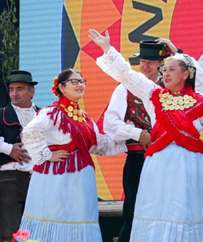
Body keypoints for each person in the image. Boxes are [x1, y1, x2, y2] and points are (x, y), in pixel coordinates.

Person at [90, 28, 203, 242]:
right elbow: (127, 74)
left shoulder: (202, 101)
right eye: (164, 70)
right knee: (157, 211)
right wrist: (107, 48)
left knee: (187, 211)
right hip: (159, 164)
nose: (166, 74)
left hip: (190, 164)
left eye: (171, 69)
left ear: (186, 74)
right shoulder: (153, 94)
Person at [102, 39, 203, 242]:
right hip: (139, 159)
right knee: (135, 212)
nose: (144, 66)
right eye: (142, 61)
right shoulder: (126, 88)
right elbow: (110, 123)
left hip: (169, 159)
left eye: (150, 62)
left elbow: (201, 78)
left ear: (163, 64)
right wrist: (138, 134)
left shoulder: (175, 88)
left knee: (169, 211)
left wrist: (176, 50)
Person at [18, 68, 127, 242]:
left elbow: (99, 145)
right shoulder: (51, 112)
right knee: (54, 214)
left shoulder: (84, 118)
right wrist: (47, 155)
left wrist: (128, 138)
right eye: (74, 82)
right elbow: (30, 132)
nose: (80, 85)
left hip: (81, 177)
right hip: (57, 176)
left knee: (80, 216)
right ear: (61, 87)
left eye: (82, 81)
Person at [0, 70, 39, 242]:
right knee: (8, 228)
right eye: (11, 89)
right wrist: (8, 148)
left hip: (39, 180)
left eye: (20, 89)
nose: (14, 93)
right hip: (10, 179)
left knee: (39, 227)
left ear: (31, 92)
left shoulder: (43, 115)